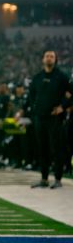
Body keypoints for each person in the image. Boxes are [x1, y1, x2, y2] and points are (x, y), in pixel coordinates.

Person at [27, 50, 71, 189]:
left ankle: (58, 179)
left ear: (55, 59)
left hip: (55, 119)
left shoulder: (61, 76)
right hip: (40, 118)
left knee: (56, 149)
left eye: (52, 56)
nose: (49, 58)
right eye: (47, 56)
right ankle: (44, 179)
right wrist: (35, 108)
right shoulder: (37, 77)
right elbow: (31, 95)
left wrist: (62, 107)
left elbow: (71, 93)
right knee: (42, 149)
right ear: (43, 59)